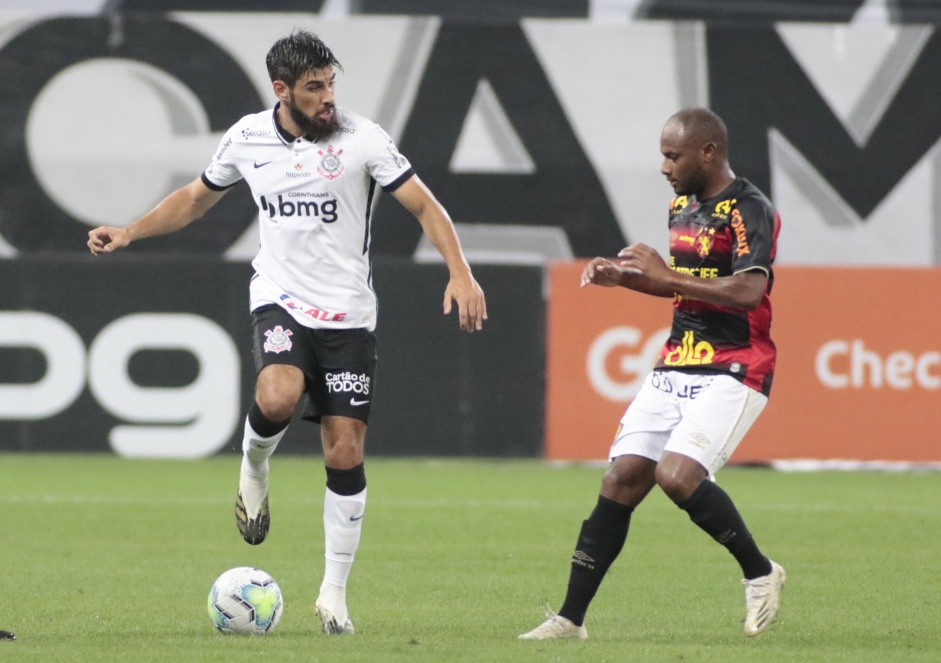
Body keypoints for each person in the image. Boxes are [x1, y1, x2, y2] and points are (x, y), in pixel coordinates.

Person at [87, 29, 486, 635]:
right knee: (276, 393)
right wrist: (130, 231)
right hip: (281, 298)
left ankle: (333, 595)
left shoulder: (363, 139)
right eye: (314, 89)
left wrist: (461, 272)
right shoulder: (246, 138)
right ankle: (254, 465)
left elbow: (425, 206)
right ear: (282, 90)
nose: (329, 99)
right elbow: (195, 200)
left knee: (344, 450)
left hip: (349, 315)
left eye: (331, 85)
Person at [519, 107, 784, 641]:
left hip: (735, 365)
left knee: (677, 476)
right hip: (676, 361)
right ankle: (570, 620)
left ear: (708, 152)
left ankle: (761, 572)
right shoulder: (683, 205)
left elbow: (750, 290)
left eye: (672, 155)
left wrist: (666, 277)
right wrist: (624, 278)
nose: (663, 166)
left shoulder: (750, 209)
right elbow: (677, 285)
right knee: (620, 480)